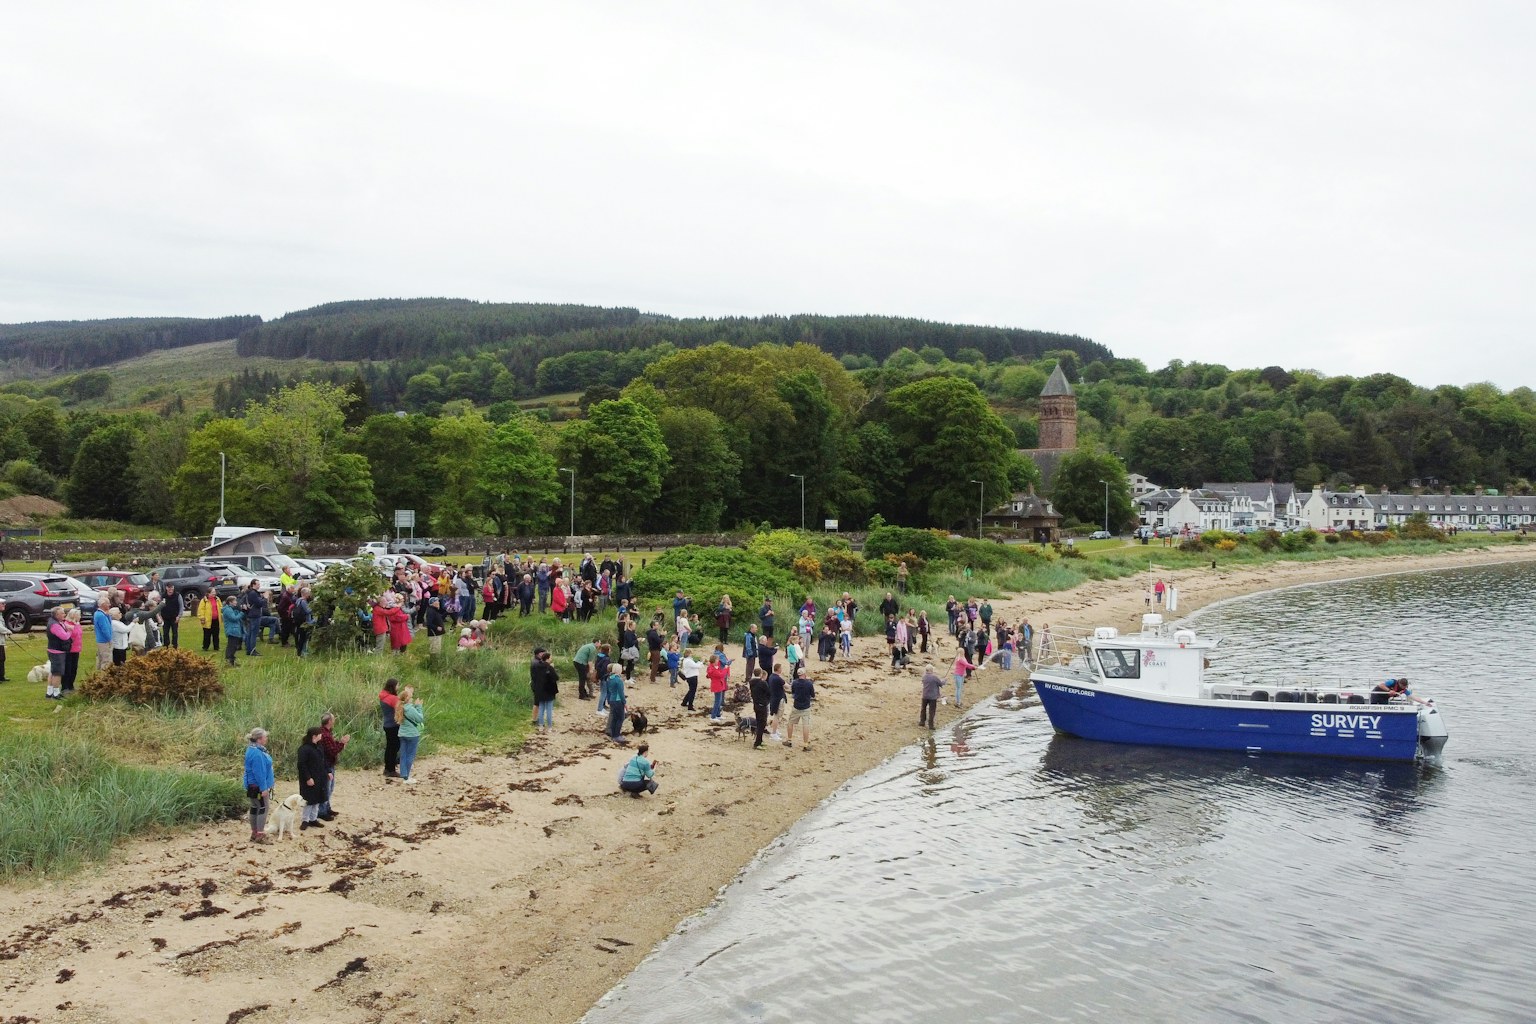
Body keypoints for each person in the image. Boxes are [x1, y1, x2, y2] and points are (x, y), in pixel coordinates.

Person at [244, 727, 275, 844]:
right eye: (265, 737)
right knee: (263, 808)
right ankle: (260, 835)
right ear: (260, 739)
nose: (266, 738)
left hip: (251, 785)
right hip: (257, 785)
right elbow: (259, 772)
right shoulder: (257, 753)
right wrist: (264, 788)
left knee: (254, 807)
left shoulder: (251, 749)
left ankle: (254, 833)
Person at [317, 713, 349, 821]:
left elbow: (331, 747)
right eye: (333, 719)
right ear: (329, 721)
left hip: (328, 763)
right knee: (326, 788)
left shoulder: (325, 733)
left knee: (329, 788)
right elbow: (332, 751)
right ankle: (322, 811)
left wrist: (339, 743)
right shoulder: (325, 734)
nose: (334, 721)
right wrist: (342, 743)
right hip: (326, 764)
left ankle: (327, 808)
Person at [297, 726, 329, 830]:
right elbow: (302, 765)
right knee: (309, 800)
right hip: (309, 778)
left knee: (317, 798)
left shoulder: (319, 747)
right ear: (314, 736)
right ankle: (305, 820)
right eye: (320, 734)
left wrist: (328, 771)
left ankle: (313, 819)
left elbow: (323, 761)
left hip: (320, 777)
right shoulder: (304, 749)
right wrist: (308, 778)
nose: (321, 735)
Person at [397, 685, 425, 784]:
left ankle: (404, 774)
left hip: (402, 734)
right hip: (412, 734)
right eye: (411, 698)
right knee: (410, 755)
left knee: (403, 754)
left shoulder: (400, 707)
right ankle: (407, 777)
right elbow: (420, 719)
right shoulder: (410, 708)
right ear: (408, 699)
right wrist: (419, 707)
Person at [783, 667, 815, 752]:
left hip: (796, 706)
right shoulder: (809, 684)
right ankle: (805, 744)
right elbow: (813, 695)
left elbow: (793, 692)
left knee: (790, 723)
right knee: (805, 726)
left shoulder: (795, 683)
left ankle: (789, 740)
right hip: (806, 707)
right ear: (804, 674)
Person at [44, 606, 70, 699]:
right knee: (57, 673)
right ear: (57, 615)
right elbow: (64, 637)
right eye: (62, 613)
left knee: (53, 671)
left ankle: (49, 692)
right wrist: (69, 631)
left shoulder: (55, 622)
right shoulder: (54, 625)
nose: (64, 614)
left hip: (54, 650)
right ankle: (56, 693)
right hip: (57, 651)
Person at [530, 648, 558, 732]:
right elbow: (556, 678)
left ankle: (540, 726)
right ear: (548, 658)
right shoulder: (549, 667)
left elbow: (535, 677)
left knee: (541, 707)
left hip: (539, 690)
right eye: (550, 657)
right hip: (549, 690)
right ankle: (549, 727)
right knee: (549, 709)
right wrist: (551, 668)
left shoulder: (536, 665)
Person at [379, 678, 402, 779]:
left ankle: (387, 768)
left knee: (389, 747)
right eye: (397, 685)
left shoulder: (383, 696)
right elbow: (400, 710)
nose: (398, 687)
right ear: (393, 686)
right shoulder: (393, 698)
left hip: (387, 724)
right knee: (394, 747)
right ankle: (391, 769)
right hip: (393, 725)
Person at [603, 664, 628, 744]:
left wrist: (609, 700)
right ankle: (617, 735)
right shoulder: (618, 680)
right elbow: (621, 693)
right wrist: (624, 702)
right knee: (620, 718)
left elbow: (608, 691)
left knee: (614, 718)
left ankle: (613, 734)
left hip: (612, 700)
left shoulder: (609, 679)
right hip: (618, 700)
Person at [749, 667, 771, 748]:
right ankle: (757, 743)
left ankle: (760, 740)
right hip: (762, 705)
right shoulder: (762, 683)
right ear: (761, 674)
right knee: (762, 724)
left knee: (759, 723)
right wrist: (766, 700)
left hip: (756, 705)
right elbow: (769, 693)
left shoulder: (751, 682)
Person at [63, 608, 83, 693]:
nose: (80, 617)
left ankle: (71, 685)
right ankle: (65, 686)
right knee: (68, 668)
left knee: (74, 668)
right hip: (69, 649)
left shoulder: (77, 624)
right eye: (78, 615)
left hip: (76, 649)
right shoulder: (67, 624)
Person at [706, 651, 730, 721]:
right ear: (714, 661)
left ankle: (718, 714)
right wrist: (726, 668)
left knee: (719, 701)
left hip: (720, 685)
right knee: (717, 701)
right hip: (717, 686)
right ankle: (713, 716)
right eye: (717, 660)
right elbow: (720, 675)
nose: (718, 661)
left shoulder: (714, 667)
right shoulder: (712, 669)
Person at [766, 662, 787, 741]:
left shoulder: (771, 676)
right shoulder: (778, 678)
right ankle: (774, 733)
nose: (782, 669)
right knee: (777, 716)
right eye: (781, 668)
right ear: (778, 669)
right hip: (778, 699)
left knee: (777, 716)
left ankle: (775, 730)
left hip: (774, 698)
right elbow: (786, 686)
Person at [920, 664, 942, 729]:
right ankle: (931, 725)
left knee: (923, 709)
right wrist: (944, 680)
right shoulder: (934, 677)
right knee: (932, 711)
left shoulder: (924, 677)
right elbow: (940, 683)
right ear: (931, 670)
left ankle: (922, 721)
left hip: (925, 695)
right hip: (932, 697)